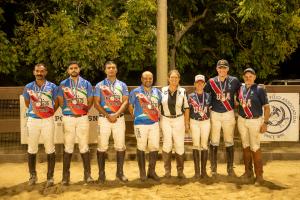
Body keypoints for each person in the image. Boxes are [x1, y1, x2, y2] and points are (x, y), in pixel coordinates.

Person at [58, 61, 94, 185]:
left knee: (84, 145)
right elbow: (60, 100)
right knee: (68, 146)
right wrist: (69, 110)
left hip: (82, 118)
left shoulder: (86, 83)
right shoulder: (63, 84)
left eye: (76, 68)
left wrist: (82, 111)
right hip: (68, 118)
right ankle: (65, 177)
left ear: (79, 69)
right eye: (71, 68)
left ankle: (87, 175)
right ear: (68, 70)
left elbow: (90, 100)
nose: (73, 70)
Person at [22, 63, 58, 187]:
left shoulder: (52, 86)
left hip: (48, 120)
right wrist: (37, 112)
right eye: (37, 71)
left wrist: (48, 112)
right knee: (32, 148)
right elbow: (27, 103)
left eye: (41, 71)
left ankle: (50, 177)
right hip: (33, 120)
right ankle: (32, 175)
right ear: (34, 72)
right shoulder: (28, 87)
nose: (39, 73)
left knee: (50, 148)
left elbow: (56, 101)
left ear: (46, 72)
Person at [204, 59, 240, 177]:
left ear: (228, 69)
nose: (222, 70)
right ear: (217, 69)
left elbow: (241, 92)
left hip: (228, 113)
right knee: (214, 141)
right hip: (215, 113)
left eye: (224, 68)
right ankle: (213, 168)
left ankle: (230, 168)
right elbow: (205, 94)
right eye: (220, 68)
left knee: (229, 140)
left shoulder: (234, 80)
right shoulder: (211, 81)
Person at [94, 61, 129, 182]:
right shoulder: (99, 85)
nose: (111, 69)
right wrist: (108, 115)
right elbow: (96, 103)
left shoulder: (122, 85)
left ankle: (120, 173)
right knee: (102, 146)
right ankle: (101, 174)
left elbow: (125, 101)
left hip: (119, 119)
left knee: (120, 146)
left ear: (117, 70)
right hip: (104, 119)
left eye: (113, 67)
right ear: (105, 70)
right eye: (109, 68)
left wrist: (116, 114)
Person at [237, 68, 270, 184]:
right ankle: (248, 172)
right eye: (246, 76)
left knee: (255, 147)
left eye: (250, 76)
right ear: (243, 77)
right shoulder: (241, 89)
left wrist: (265, 123)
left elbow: (267, 108)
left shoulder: (259, 89)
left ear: (255, 77)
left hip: (255, 121)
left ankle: (259, 175)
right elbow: (238, 102)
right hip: (242, 120)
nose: (248, 78)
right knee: (245, 146)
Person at [128, 71, 162, 181]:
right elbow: (130, 105)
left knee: (155, 147)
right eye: (145, 78)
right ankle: (142, 173)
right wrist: (135, 116)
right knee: (141, 147)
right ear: (142, 79)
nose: (148, 80)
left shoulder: (158, 92)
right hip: (140, 124)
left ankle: (151, 172)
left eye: (150, 78)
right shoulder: (135, 92)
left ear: (153, 79)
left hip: (154, 124)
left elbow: (160, 105)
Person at [161, 70, 190, 179]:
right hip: (165, 120)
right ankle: (167, 171)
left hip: (179, 119)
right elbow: (159, 107)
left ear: (179, 79)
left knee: (179, 144)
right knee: (167, 144)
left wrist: (186, 123)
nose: (174, 80)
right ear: (168, 78)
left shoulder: (182, 91)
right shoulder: (162, 90)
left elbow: (186, 108)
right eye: (172, 77)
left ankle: (180, 171)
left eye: (176, 78)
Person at [188, 74, 211, 179]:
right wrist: (187, 123)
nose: (200, 84)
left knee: (204, 145)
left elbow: (211, 109)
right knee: (196, 145)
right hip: (194, 121)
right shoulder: (190, 96)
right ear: (194, 84)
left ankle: (204, 172)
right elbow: (187, 110)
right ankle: (197, 172)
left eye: (202, 82)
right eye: (198, 82)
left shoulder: (208, 96)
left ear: (204, 84)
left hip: (205, 122)